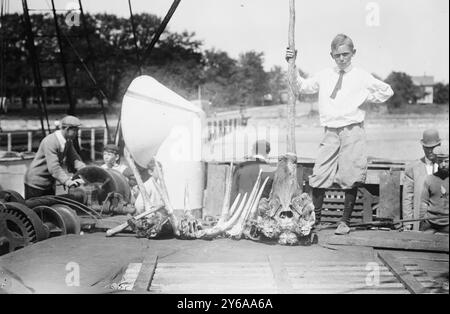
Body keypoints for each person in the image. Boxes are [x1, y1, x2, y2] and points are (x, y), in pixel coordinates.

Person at [286, 33, 394, 235]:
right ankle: (314, 219)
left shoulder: (361, 76)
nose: (342, 59)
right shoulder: (325, 75)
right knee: (320, 173)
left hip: (353, 130)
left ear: (353, 53)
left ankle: (344, 221)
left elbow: (387, 91)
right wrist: (292, 63)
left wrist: (366, 98)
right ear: (332, 55)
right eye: (337, 55)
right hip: (330, 131)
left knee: (350, 174)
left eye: (345, 54)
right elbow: (301, 86)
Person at [24, 115, 85, 199]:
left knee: (50, 209)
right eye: (75, 130)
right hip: (36, 183)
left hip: (49, 182)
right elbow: (54, 167)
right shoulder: (51, 141)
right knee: (35, 209)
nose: (77, 133)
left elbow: (75, 159)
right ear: (67, 129)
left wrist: (85, 173)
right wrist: (67, 181)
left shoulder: (68, 141)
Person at [402, 129, 441, 230]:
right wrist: (407, 223)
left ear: (439, 146)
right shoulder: (413, 169)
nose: (430, 151)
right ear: (423, 147)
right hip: (421, 221)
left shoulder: (446, 167)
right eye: (427, 147)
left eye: (433, 147)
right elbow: (407, 198)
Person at [420, 145, 449, 234]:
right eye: (440, 161)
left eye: (447, 161)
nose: (443, 164)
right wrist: (423, 219)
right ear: (436, 161)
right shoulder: (429, 179)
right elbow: (424, 202)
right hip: (430, 223)